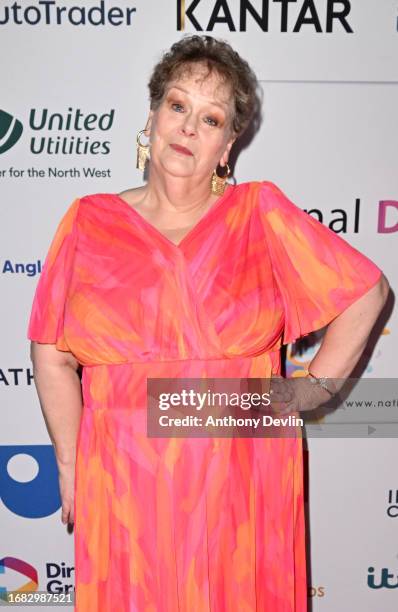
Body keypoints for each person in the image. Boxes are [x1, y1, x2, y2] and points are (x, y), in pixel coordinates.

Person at [27, 35, 389, 611]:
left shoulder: (259, 214)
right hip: (125, 482)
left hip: (242, 478)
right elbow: (52, 351)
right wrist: (71, 466)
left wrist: (312, 388)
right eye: (177, 106)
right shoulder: (88, 221)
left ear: (227, 145)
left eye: (211, 117)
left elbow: (366, 293)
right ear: (152, 117)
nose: (189, 127)